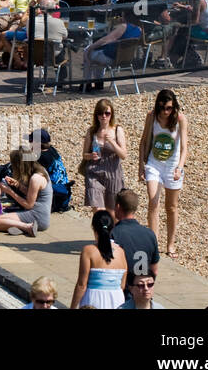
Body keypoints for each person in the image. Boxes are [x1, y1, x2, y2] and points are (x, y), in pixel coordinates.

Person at [139, 89, 187, 257]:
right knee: (153, 202)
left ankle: (171, 244)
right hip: (154, 164)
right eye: (162, 108)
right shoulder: (151, 116)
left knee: (171, 207)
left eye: (168, 108)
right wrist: (141, 166)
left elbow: (184, 148)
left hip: (172, 166)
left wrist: (180, 167)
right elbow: (144, 141)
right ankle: (154, 244)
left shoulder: (180, 119)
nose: (165, 112)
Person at [70, 210, 128, 309]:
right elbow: (122, 285)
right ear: (112, 228)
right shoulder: (121, 252)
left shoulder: (88, 251)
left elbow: (81, 285)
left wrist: (73, 306)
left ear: (93, 228)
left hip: (93, 299)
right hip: (117, 299)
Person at [81, 98, 126, 210]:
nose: (104, 116)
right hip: (94, 173)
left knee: (113, 212)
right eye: (100, 113)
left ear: (111, 115)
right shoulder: (91, 132)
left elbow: (123, 155)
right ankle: (100, 227)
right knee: (98, 211)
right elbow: (84, 154)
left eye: (107, 113)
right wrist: (90, 156)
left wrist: (112, 142)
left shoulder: (117, 130)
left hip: (113, 174)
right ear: (96, 115)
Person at [0, 149, 49, 237]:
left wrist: (9, 191)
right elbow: (31, 193)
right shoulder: (40, 170)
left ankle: (27, 227)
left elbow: (28, 204)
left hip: (38, 216)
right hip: (35, 212)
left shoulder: (36, 178)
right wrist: (17, 185)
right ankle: (19, 227)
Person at [111, 188, 160, 280]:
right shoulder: (150, 234)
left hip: (123, 289)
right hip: (142, 288)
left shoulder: (114, 234)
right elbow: (154, 270)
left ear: (117, 207)